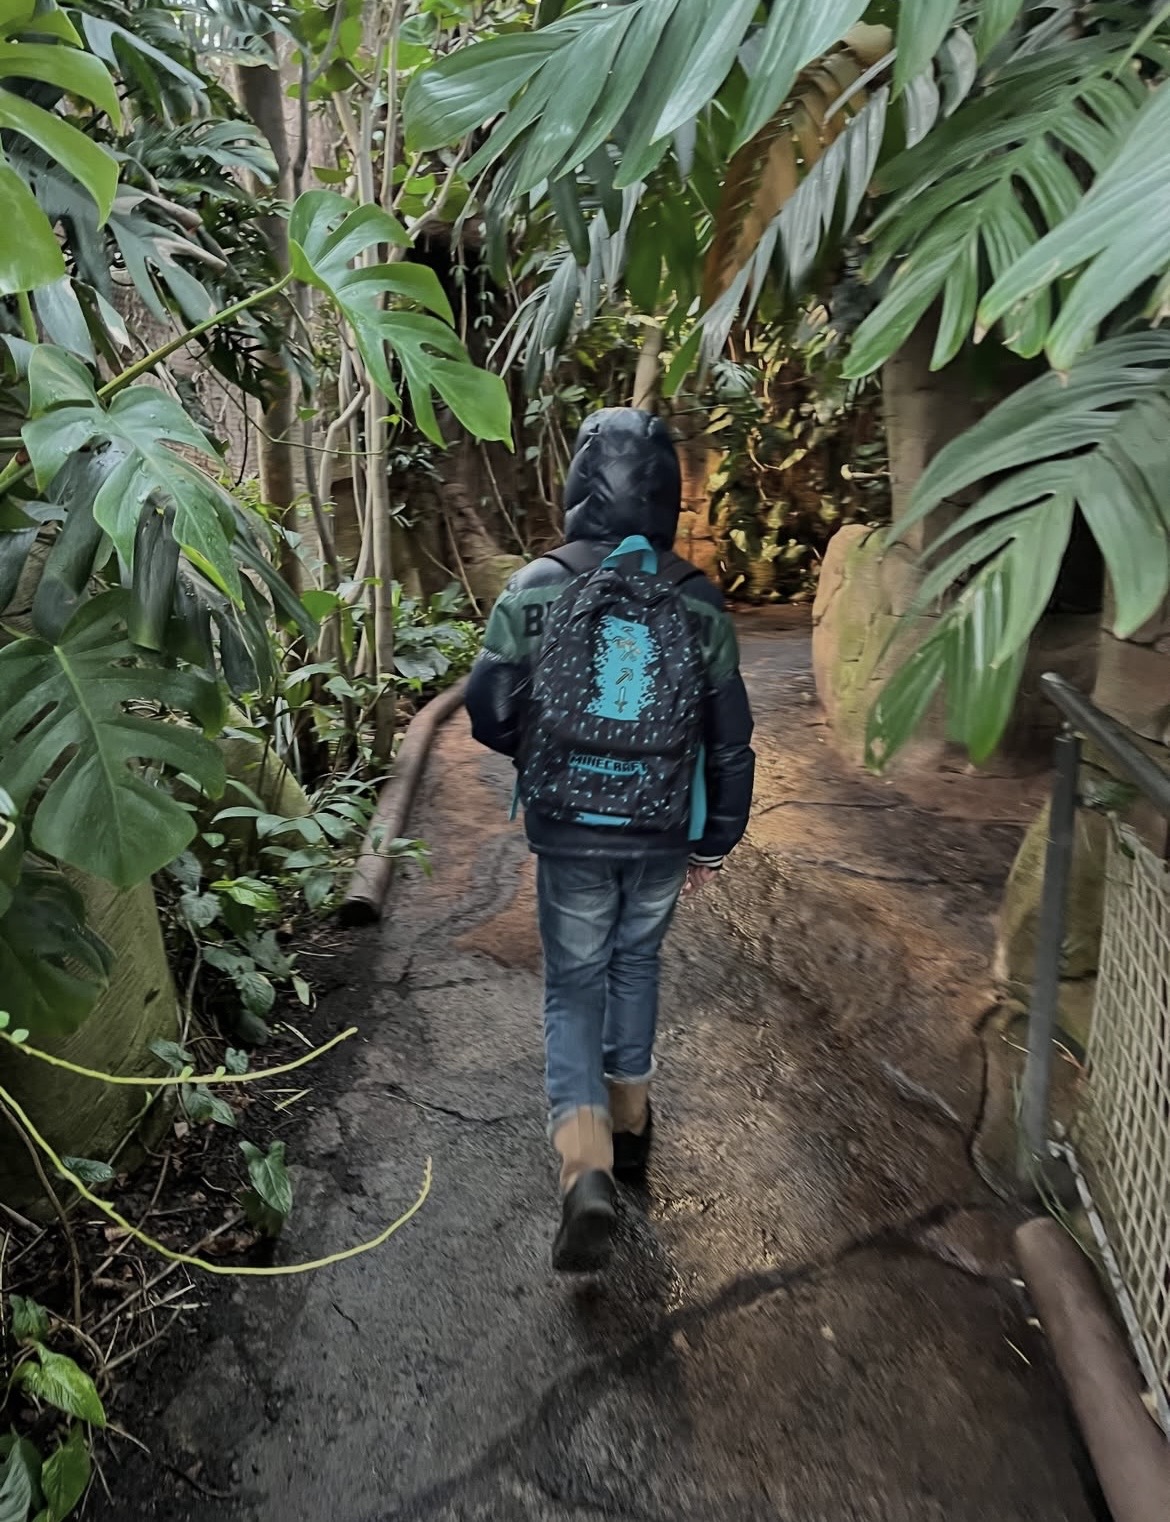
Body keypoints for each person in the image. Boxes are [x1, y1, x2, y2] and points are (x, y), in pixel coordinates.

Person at [465, 408, 755, 1272]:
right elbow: (730, 738)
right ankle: (631, 1127)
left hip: (570, 830)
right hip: (662, 828)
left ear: (580, 482)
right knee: (636, 964)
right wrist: (715, 840)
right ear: (666, 492)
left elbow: (489, 711)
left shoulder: (535, 586)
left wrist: (552, 754)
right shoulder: (697, 599)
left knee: (572, 986)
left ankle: (584, 1163)